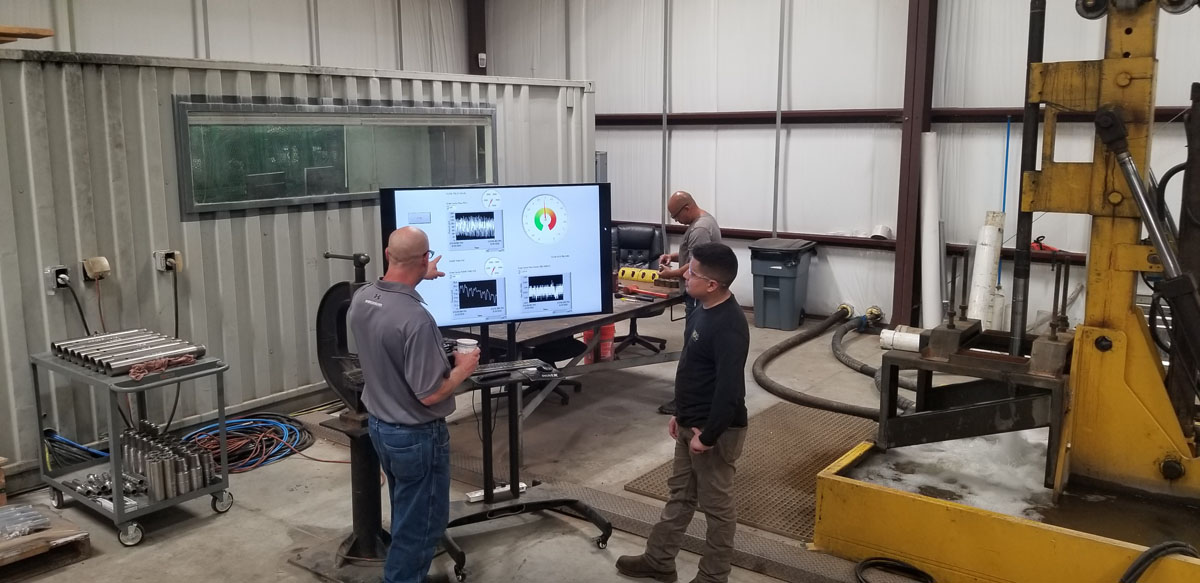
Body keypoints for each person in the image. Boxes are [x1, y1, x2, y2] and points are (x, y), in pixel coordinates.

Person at [348, 226, 480, 583]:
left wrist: (422, 273)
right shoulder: (417, 320)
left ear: (388, 255)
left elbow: (393, 300)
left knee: (407, 512)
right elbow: (430, 393)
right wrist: (463, 368)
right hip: (417, 436)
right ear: (424, 258)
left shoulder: (363, 298)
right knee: (422, 526)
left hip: (382, 428)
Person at [616, 242, 749, 583]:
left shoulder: (730, 325)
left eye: (692, 272)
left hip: (715, 431)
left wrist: (709, 436)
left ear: (712, 284)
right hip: (692, 422)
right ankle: (659, 560)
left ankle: (713, 577)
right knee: (680, 496)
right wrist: (681, 413)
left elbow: (730, 390)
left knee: (717, 508)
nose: (685, 275)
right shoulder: (702, 309)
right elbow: (693, 370)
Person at [656, 190, 722, 415]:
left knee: (692, 351)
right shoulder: (703, 222)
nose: (676, 221)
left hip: (698, 298)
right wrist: (673, 257)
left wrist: (671, 274)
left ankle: (685, 402)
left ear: (687, 208)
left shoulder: (700, 229)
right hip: (702, 297)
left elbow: (695, 264)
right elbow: (693, 253)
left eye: (676, 216)